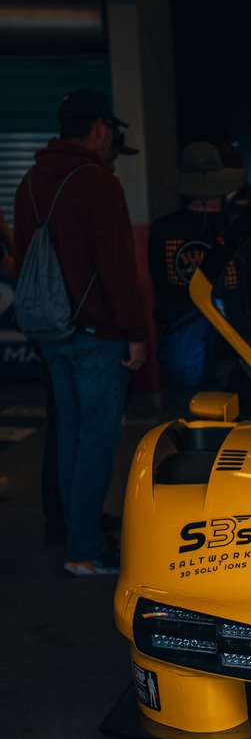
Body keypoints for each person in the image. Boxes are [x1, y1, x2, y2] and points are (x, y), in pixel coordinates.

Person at [13, 88, 150, 576]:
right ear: (98, 128)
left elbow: (25, 258)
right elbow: (117, 268)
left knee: (71, 437)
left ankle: (79, 537)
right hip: (97, 335)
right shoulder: (98, 184)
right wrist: (136, 332)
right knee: (95, 442)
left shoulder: (28, 182)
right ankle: (86, 552)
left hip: (51, 332)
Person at [149, 141, 247, 416]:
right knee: (226, 428)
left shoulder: (162, 229)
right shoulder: (239, 228)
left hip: (181, 346)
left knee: (182, 426)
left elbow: (159, 284)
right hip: (230, 342)